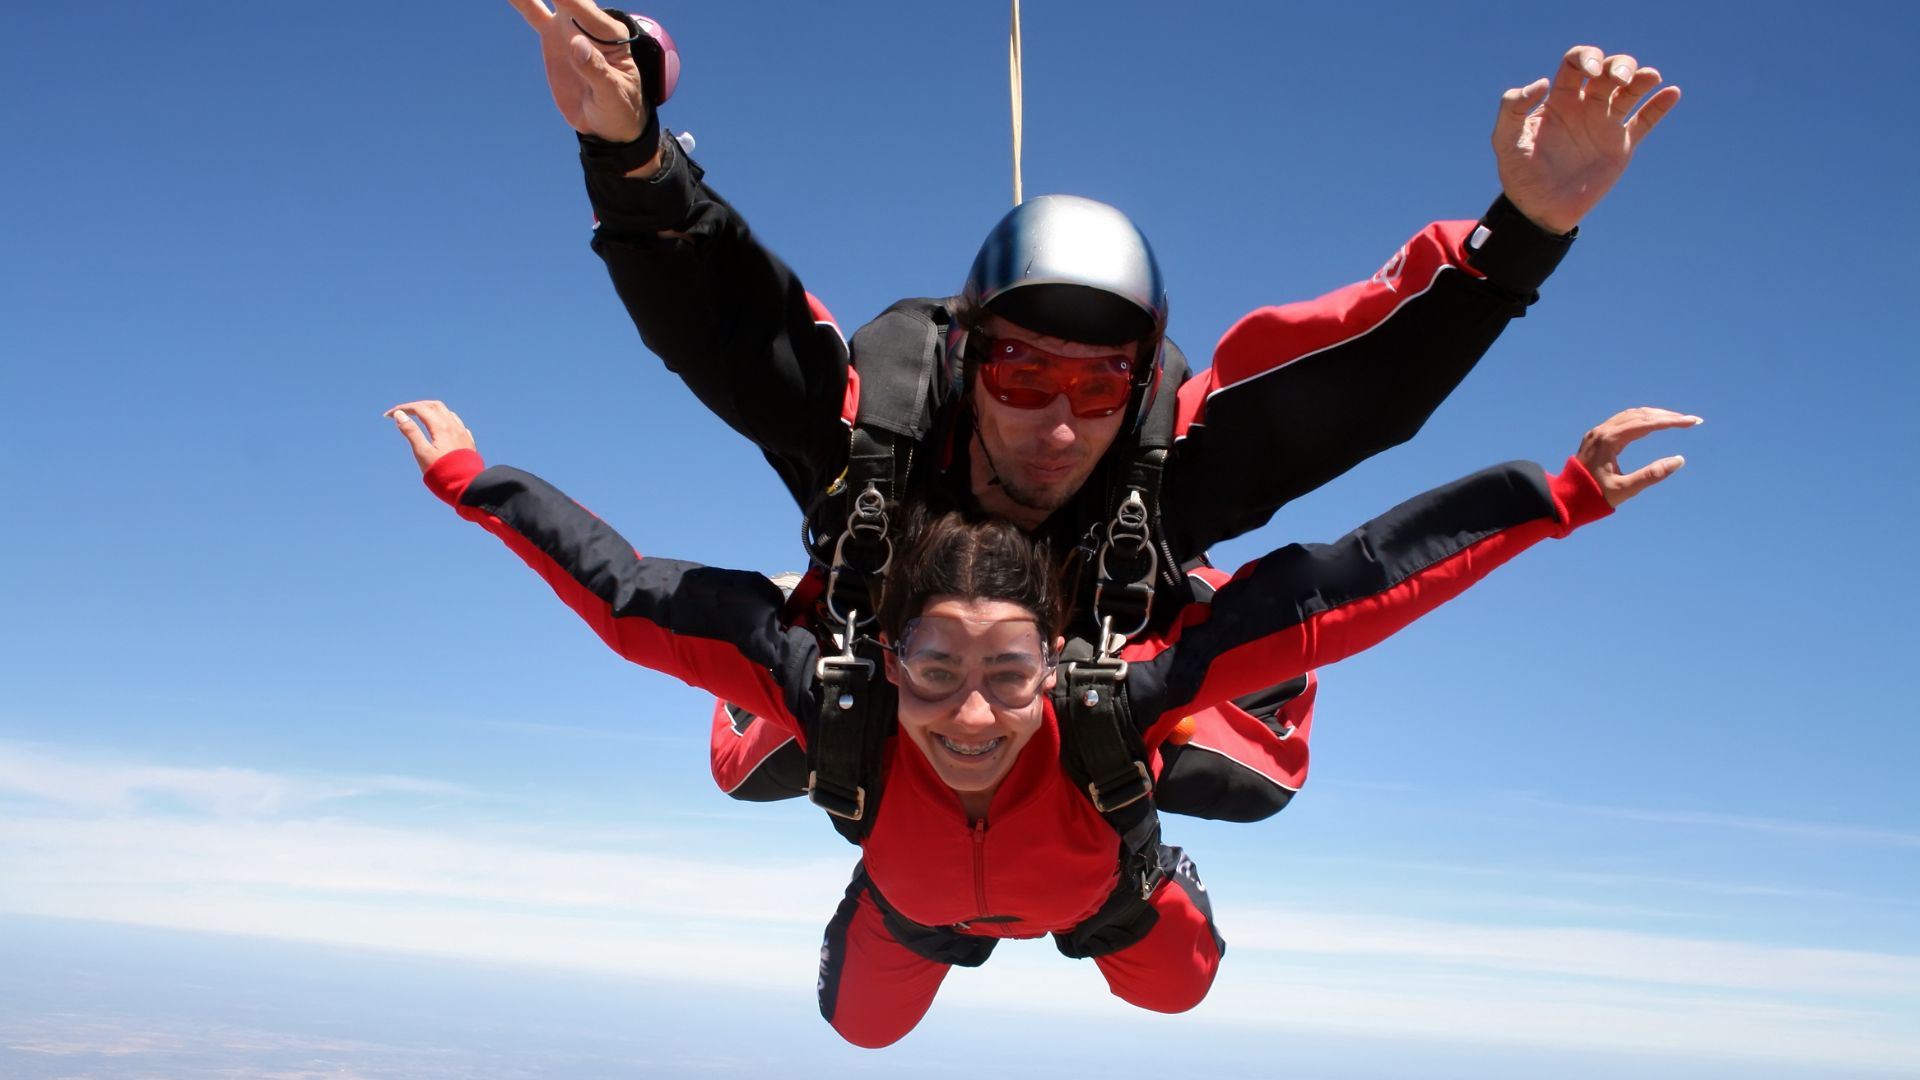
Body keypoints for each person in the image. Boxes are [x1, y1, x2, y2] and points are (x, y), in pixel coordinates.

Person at [500, 1, 1682, 817]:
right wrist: (630, 154)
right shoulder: (877, 441)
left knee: (1244, 773)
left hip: (1098, 691)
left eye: (1103, 384)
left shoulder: (1164, 473)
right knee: (783, 746)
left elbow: (1351, 398)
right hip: (889, 679)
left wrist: (1522, 233)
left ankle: (1132, 788)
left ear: (1140, 385)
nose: (1062, 425)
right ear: (966, 365)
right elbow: (731, 332)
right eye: (1024, 377)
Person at [387, 397, 1696, 1047]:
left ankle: (1145, 868)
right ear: (883, 655)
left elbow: (1336, 593)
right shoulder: (829, 698)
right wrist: (468, 481)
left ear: (1057, 659)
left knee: (1174, 995)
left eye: (1008, 672)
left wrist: (1552, 496)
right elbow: (628, 596)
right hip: (915, 901)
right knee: (862, 1032)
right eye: (933, 664)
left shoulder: (1112, 706)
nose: (967, 710)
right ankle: (924, 903)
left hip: (1097, 888)